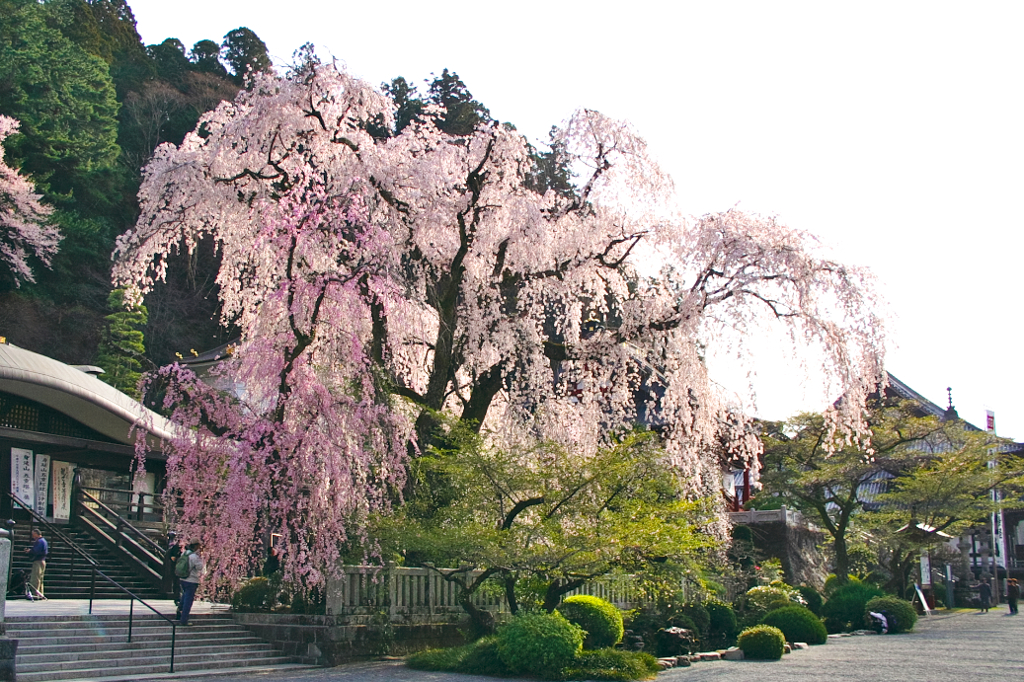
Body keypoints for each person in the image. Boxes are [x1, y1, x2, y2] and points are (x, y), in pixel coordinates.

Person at [178, 541, 206, 626]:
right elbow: (200, 567)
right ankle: (184, 619)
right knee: (188, 600)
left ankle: (179, 612)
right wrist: (202, 557)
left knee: (184, 596)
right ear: (196, 546)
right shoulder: (194, 557)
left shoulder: (185, 553)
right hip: (192, 580)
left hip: (183, 578)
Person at [24, 528, 47, 600]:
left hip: (38, 561)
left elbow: (36, 551)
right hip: (42, 560)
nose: (33, 536)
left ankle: (35, 594)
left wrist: (29, 551)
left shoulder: (39, 541)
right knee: (40, 578)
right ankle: (40, 593)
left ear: (37, 534)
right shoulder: (44, 541)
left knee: (35, 578)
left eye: (33, 534)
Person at [164, 532, 183, 617]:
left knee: (177, 584)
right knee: (177, 583)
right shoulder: (175, 548)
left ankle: (178, 598)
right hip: (176, 568)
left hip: (176, 568)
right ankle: (177, 598)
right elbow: (173, 558)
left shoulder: (174, 547)